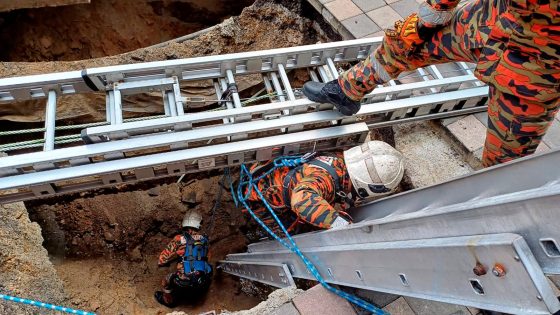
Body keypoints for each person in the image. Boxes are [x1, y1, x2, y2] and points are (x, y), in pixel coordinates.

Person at [303, 0, 559, 167]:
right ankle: (347, 91)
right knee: (404, 42)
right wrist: (434, 14)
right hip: (493, 20)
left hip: (537, 69)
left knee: (504, 165)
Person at [243, 141, 404, 233]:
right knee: (290, 232)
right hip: (259, 194)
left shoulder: (338, 159)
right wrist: (340, 224)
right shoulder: (325, 179)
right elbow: (301, 201)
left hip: (267, 171)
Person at [155, 210, 212, 307]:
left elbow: (162, 260)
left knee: (166, 280)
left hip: (184, 280)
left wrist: (175, 256)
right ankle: (198, 291)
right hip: (202, 278)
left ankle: (168, 301)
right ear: (198, 224)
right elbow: (208, 257)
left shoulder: (179, 239)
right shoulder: (204, 239)